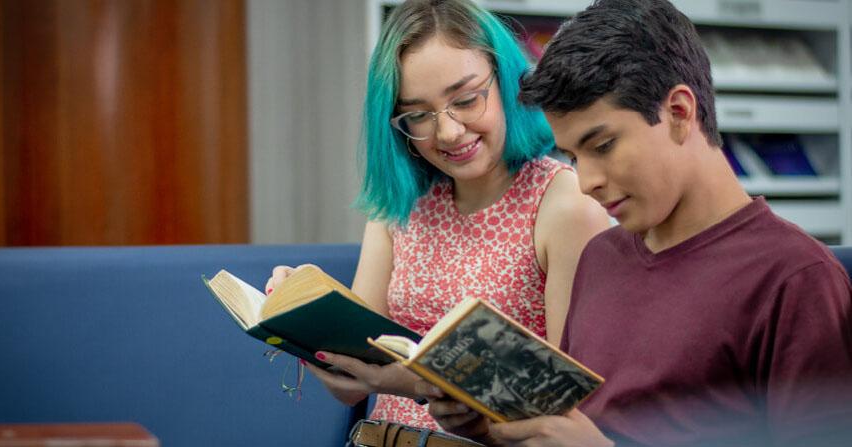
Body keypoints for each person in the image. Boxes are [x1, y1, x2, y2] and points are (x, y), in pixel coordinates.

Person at [425, 0, 852, 445]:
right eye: (571, 156)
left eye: (603, 145)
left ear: (680, 113)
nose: (585, 182)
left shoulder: (796, 279)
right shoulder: (600, 257)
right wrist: (489, 428)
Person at [265, 0, 608, 430]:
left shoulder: (565, 204)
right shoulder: (402, 205)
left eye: (465, 100)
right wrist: (310, 321)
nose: (448, 131)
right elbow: (352, 388)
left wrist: (414, 383)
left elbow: (565, 409)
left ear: (507, 82)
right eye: (418, 115)